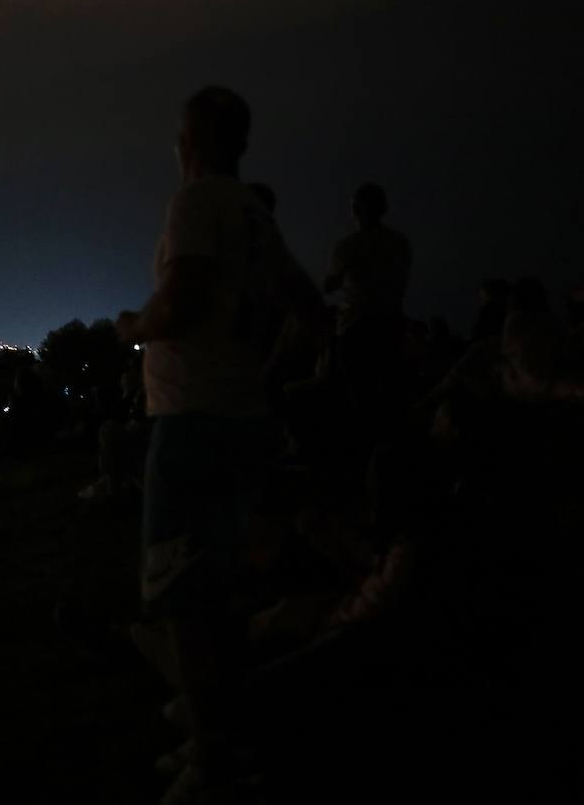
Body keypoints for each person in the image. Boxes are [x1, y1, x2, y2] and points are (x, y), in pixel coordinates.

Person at [117, 87, 324, 803]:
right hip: (242, 418)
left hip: (193, 420)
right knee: (222, 590)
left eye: (180, 134)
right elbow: (308, 308)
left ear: (192, 140)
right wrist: (263, 373)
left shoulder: (198, 203)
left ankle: (215, 759)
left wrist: (132, 327)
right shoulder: (254, 213)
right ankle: (227, 734)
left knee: (183, 595)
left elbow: (179, 303)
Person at [324, 183, 413, 401]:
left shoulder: (347, 246)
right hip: (391, 321)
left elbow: (329, 286)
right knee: (388, 391)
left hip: (356, 325)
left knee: (356, 391)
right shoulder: (400, 242)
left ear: (354, 209)